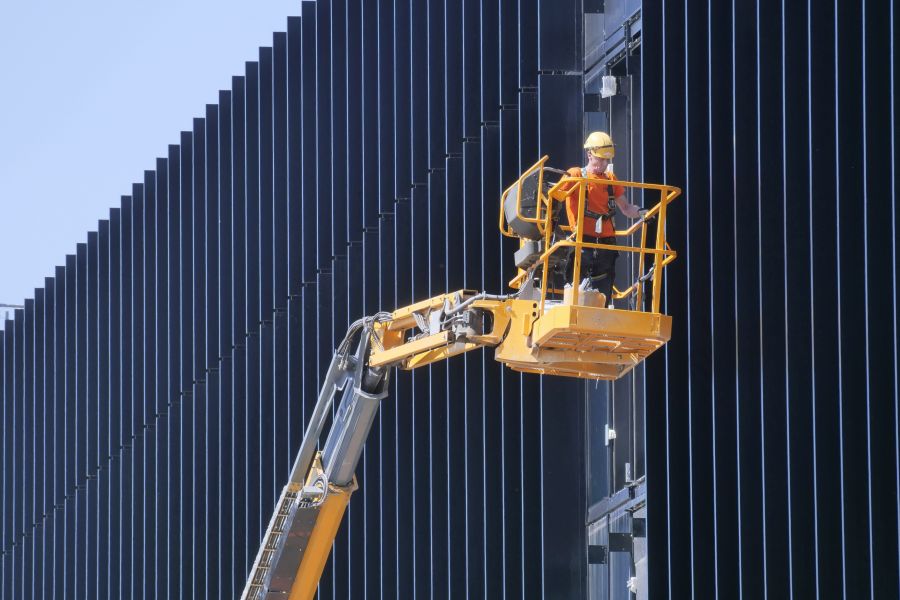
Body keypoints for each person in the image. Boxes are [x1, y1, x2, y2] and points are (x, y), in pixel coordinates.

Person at [561, 131, 642, 303]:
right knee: (577, 294)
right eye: (601, 159)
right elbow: (554, 197)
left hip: (606, 246)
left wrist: (643, 213)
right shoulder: (575, 175)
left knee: (603, 296)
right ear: (589, 154)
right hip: (582, 243)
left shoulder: (610, 179)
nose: (605, 164)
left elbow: (626, 208)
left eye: (607, 160)